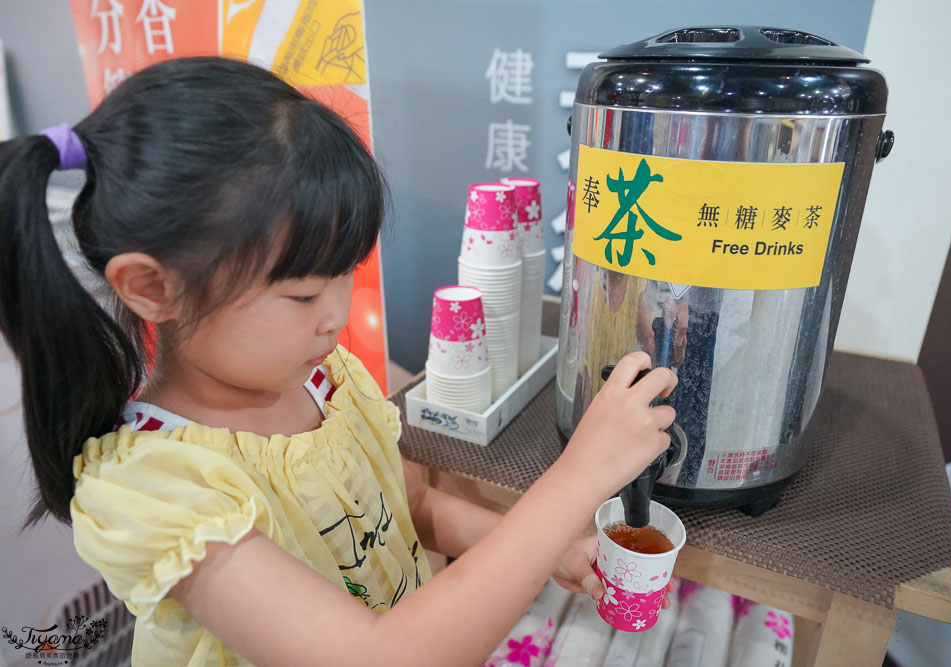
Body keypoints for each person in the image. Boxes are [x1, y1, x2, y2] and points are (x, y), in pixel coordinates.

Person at [0, 57, 678, 666]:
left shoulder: (327, 381)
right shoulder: (159, 486)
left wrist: (546, 546)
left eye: (342, 276)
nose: (335, 314)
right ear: (153, 288)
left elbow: (409, 507)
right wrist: (577, 479)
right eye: (300, 293)